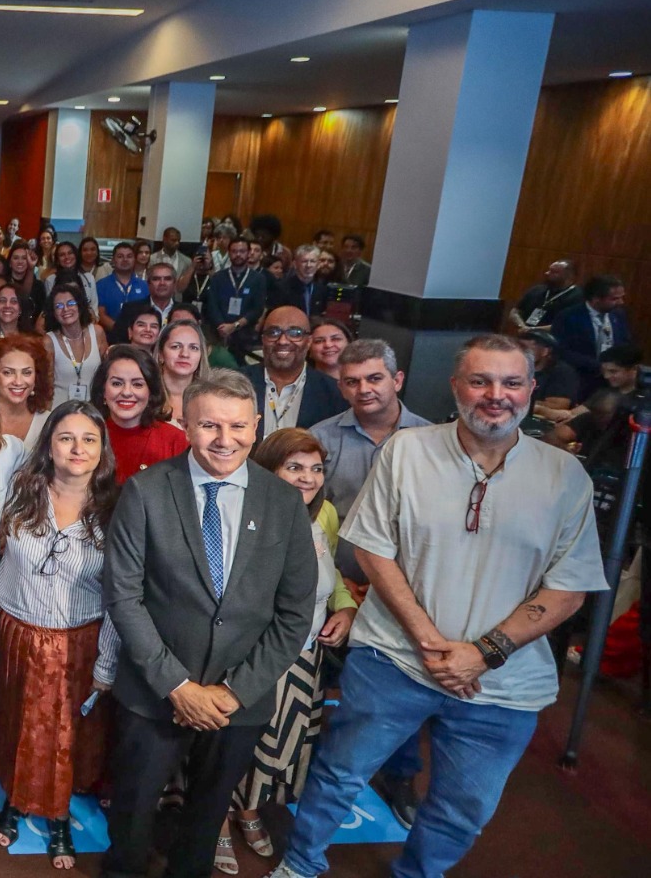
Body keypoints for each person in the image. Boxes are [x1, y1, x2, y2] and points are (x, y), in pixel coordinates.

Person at [269, 335, 607, 878]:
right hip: (393, 658)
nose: (495, 395)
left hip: (502, 683)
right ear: (456, 387)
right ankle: (300, 864)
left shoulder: (565, 477)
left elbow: (569, 587)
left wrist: (483, 652)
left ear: (531, 389)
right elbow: (372, 549)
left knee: (463, 808)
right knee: (338, 773)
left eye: (511, 382)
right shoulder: (407, 451)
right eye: (480, 381)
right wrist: (430, 642)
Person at [100, 370, 318, 878]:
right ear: (186, 423)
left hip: (237, 701)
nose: (225, 439)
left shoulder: (284, 502)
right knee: (133, 810)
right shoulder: (145, 491)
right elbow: (124, 597)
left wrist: (232, 693)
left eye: (238, 426)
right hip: (154, 693)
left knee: (207, 813)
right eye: (210, 426)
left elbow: (294, 613)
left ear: (256, 425)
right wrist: (178, 687)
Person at [212, 428, 358, 875]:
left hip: (306, 657)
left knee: (277, 745)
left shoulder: (324, 514)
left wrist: (346, 608)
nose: (307, 478)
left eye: (316, 468)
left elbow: (330, 573)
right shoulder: (245, 514)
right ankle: (216, 819)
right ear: (267, 470)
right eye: (294, 467)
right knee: (232, 745)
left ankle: (249, 809)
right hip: (256, 656)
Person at [0, 401, 120, 870]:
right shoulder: (19, 491)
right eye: (66, 438)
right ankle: (16, 800)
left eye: (89, 439)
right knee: (17, 724)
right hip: (17, 632)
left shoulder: (117, 510)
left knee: (65, 734)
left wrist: (107, 662)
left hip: (79, 641)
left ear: (102, 450)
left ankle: (59, 814)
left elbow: (121, 597)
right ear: (49, 445)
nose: (77, 448)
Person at [310, 339, 433, 520]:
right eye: (352, 382)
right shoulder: (318, 439)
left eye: (374, 379)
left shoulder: (431, 439)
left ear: (397, 381)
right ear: (341, 389)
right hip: (338, 537)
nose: (364, 389)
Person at [242, 307, 346, 438]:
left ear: (308, 341)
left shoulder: (334, 393)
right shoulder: (235, 382)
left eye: (295, 333)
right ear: (263, 339)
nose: (282, 341)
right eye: (273, 333)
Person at [91, 345, 187, 483]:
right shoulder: (87, 437)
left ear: (151, 392)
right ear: (103, 391)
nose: (126, 392)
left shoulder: (176, 440)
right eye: (117, 383)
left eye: (137, 384)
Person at [552, 273, 631, 396]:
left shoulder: (618, 315)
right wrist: (597, 366)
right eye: (614, 299)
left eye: (621, 297)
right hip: (580, 380)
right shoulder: (567, 317)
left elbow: (625, 343)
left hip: (612, 383)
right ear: (596, 298)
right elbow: (560, 351)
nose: (621, 302)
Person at [0, 333, 53, 452]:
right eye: (8, 372)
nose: (18, 382)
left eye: (27, 373)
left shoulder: (50, 423)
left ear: (37, 377)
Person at [44, 283, 107, 409]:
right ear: (53, 313)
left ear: (80, 306)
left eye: (71, 303)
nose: (65, 309)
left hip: (94, 409)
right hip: (60, 410)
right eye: (59, 306)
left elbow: (107, 372)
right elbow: (46, 385)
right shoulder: (48, 341)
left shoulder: (97, 332)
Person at [202, 237, 266, 355]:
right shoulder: (218, 277)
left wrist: (235, 326)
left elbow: (257, 309)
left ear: (248, 253)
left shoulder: (258, 279)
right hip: (219, 332)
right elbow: (212, 305)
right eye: (234, 251)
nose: (238, 255)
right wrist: (222, 327)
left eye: (242, 251)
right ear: (229, 253)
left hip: (245, 334)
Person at [505, 259, 580, 332]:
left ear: (569, 276)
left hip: (552, 338)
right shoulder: (537, 289)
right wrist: (522, 326)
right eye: (549, 270)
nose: (547, 273)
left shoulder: (577, 297)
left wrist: (533, 330)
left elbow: (566, 324)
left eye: (554, 272)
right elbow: (515, 312)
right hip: (524, 334)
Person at [95, 243, 148, 328]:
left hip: (139, 333)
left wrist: (135, 331)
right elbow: (101, 315)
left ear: (134, 260)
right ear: (113, 260)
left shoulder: (145, 286)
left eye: (129, 256)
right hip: (111, 335)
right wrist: (120, 331)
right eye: (120, 256)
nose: (125, 259)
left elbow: (149, 314)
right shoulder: (101, 285)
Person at [268, 245, 331, 318]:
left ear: (318, 265)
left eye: (312, 261)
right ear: (295, 264)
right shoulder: (281, 288)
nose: (308, 265)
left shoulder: (322, 289)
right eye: (304, 261)